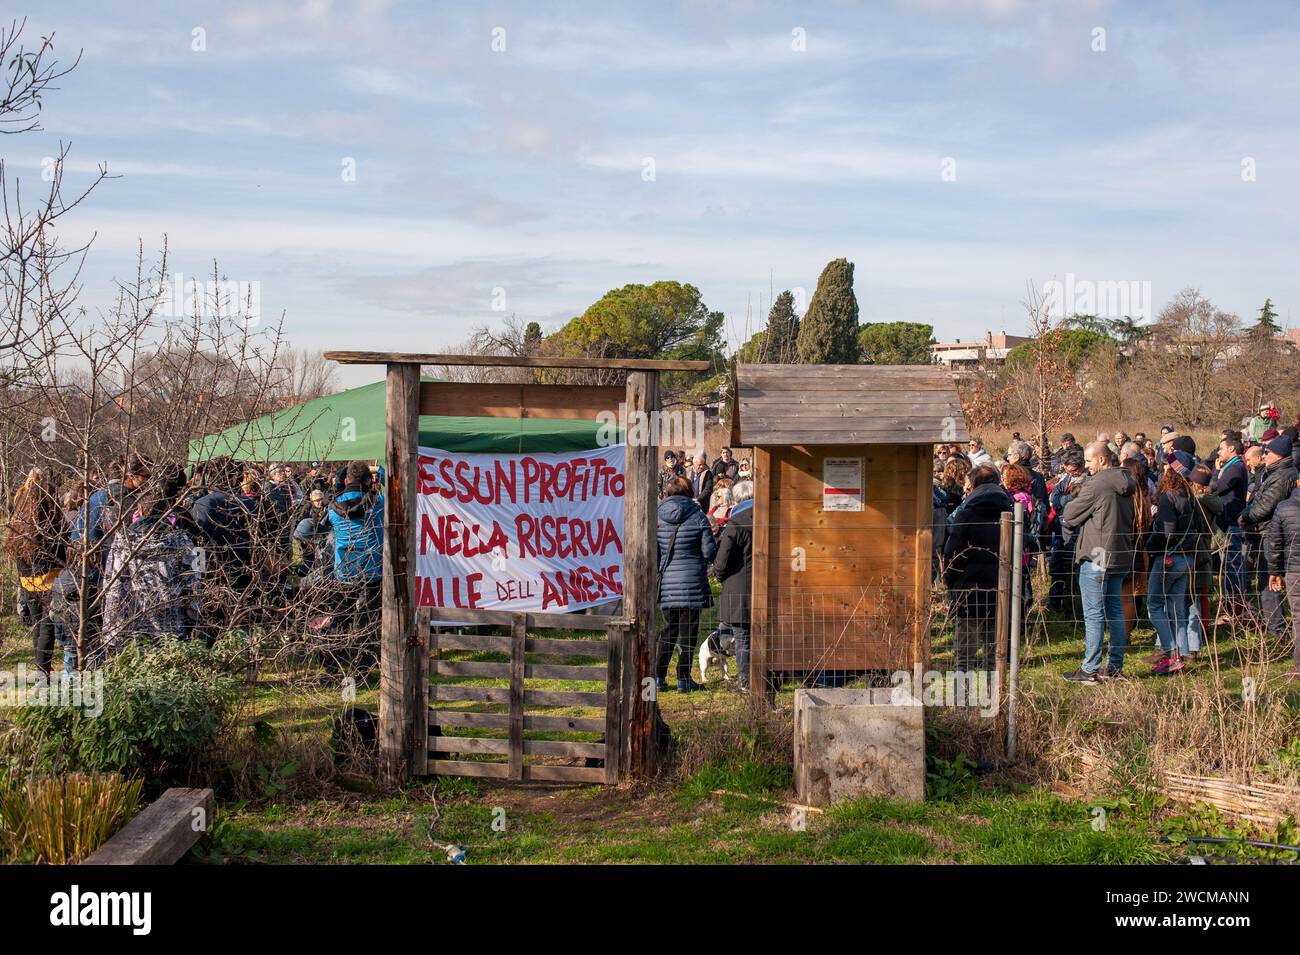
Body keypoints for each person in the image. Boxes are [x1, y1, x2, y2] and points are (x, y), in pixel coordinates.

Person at [101, 468, 203, 653]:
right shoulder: (180, 540)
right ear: (166, 511)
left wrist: (111, 629)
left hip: (134, 620)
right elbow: (194, 580)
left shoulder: (123, 541)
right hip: (171, 622)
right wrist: (194, 616)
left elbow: (113, 583)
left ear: (139, 510)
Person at [1061, 441, 1135, 683]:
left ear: (1102, 460)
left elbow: (1070, 515)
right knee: (1114, 611)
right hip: (1120, 553)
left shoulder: (1098, 484)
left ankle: (1090, 668)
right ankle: (1114, 667)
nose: (1087, 466)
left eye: (1090, 461)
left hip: (1097, 555)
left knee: (1093, 613)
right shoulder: (1126, 481)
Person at [943, 464, 1012, 674]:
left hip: (967, 589)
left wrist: (951, 581)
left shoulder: (966, 516)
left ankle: (963, 696)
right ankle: (994, 693)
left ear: (972, 486)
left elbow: (951, 553)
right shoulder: (1010, 513)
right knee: (994, 651)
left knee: (964, 653)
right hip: (999, 588)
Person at [655, 476, 716, 692]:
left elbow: (654, 552)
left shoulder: (657, 517)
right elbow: (709, 551)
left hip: (668, 585)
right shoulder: (698, 516)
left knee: (668, 631)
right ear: (689, 491)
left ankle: (658, 678)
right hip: (692, 583)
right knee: (688, 633)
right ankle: (683, 679)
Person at [1147, 452, 1206, 675]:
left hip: (1169, 558)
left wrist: (1148, 544)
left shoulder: (1169, 497)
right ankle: (1180, 654)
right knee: (1177, 608)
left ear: (1171, 471)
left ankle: (1171, 653)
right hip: (1187, 558)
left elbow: (1166, 532)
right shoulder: (1189, 496)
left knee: (1154, 606)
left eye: (1165, 467)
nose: (1162, 470)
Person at [5, 468, 67, 677]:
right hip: (48, 577)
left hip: (28, 579)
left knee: (38, 625)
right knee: (46, 626)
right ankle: (43, 671)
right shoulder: (51, 522)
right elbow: (62, 546)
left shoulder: (19, 524)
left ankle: (42, 668)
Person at [1240, 435, 1298, 636]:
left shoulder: (1282, 477)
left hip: (1274, 532)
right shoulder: (1274, 473)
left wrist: (1246, 515)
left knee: (1269, 579)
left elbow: (1265, 507)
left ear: (1278, 455)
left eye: (1268, 452)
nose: (1264, 455)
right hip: (1270, 530)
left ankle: (1276, 628)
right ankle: (1276, 624)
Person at [712, 479, 753, 692]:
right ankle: (767, 681)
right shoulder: (768, 517)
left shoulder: (735, 523)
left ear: (736, 499)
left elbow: (721, 560)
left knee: (743, 639)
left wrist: (719, 576)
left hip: (739, 589)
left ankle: (745, 683)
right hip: (768, 590)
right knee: (765, 637)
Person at [1265, 472, 1300, 678]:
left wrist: (1274, 571)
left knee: (1298, 616)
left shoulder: (1284, 507)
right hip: (1294, 567)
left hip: (1295, 569)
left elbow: (1275, 543)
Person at [1212, 436, 1250, 621]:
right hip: (1228, 521)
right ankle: (1234, 607)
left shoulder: (1235, 468)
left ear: (1232, 449)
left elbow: (1216, 488)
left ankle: (1235, 610)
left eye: (1221, 448)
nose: (1219, 453)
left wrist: (1215, 473)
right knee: (1230, 565)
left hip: (1230, 523)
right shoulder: (1233, 466)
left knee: (1232, 566)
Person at [1046, 446, 1086, 611]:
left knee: (1076, 572)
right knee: (1056, 568)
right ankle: (1055, 604)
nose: (1073, 474)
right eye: (1069, 471)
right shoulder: (1064, 481)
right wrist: (1069, 498)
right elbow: (1055, 501)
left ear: (1082, 467)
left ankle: (1074, 609)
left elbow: (1081, 505)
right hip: (1060, 534)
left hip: (1079, 534)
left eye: (1075, 471)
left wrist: (1066, 502)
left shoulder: (1089, 481)